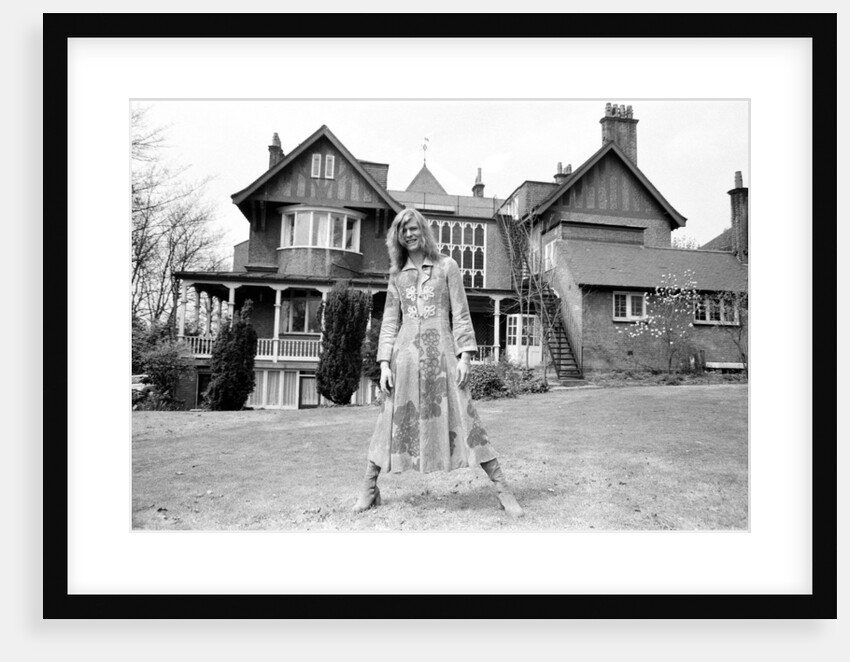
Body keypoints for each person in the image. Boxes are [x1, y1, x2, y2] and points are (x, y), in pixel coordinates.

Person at [352, 207, 524, 517]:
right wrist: (383, 364)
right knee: (388, 418)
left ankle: (502, 489)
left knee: (467, 417)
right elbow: (390, 320)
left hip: (442, 355)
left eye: (414, 228)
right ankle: (369, 488)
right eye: (403, 230)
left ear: (424, 231)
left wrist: (465, 356)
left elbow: (460, 313)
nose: (409, 234)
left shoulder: (448, 267)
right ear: (397, 237)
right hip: (404, 359)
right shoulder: (396, 275)